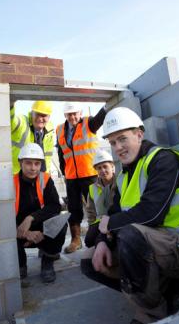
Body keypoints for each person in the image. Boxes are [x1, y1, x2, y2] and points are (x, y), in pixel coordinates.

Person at [81, 106, 179, 324]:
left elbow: (151, 213)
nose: (118, 148)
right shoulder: (123, 175)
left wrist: (110, 226)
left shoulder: (163, 160)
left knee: (129, 234)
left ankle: (150, 315)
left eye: (122, 139)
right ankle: (158, 295)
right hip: (155, 245)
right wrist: (101, 240)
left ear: (139, 134)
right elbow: (111, 214)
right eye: (112, 143)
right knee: (89, 257)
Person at [56, 101, 106, 253]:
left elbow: (99, 118)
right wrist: (64, 173)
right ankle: (76, 240)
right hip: (71, 177)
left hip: (90, 174)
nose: (72, 116)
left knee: (96, 207)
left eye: (75, 113)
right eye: (69, 114)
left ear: (80, 112)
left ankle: (100, 238)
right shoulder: (59, 129)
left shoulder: (88, 123)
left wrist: (106, 107)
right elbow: (61, 153)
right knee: (73, 209)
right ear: (65, 115)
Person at [14, 143, 67, 283]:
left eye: (37, 163)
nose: (33, 168)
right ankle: (20, 264)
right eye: (28, 163)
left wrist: (31, 218)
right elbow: (2, 217)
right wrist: (25, 233)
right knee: (4, 233)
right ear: (20, 163)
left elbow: (55, 206)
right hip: (17, 231)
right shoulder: (11, 183)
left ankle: (47, 261)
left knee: (60, 224)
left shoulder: (46, 179)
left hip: (40, 230)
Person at [10, 100, 54, 174]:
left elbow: (47, 157)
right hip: (19, 176)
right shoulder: (23, 122)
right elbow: (11, 121)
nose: (40, 119)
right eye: (37, 114)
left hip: (40, 177)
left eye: (43, 115)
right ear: (31, 113)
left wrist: (47, 175)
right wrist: (11, 105)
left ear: (49, 117)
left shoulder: (49, 131)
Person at [85, 149, 116, 248]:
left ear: (112, 166)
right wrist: (91, 226)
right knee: (89, 241)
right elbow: (90, 211)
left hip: (116, 219)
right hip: (100, 222)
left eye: (105, 166)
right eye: (99, 168)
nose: (102, 170)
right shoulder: (92, 188)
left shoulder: (121, 181)